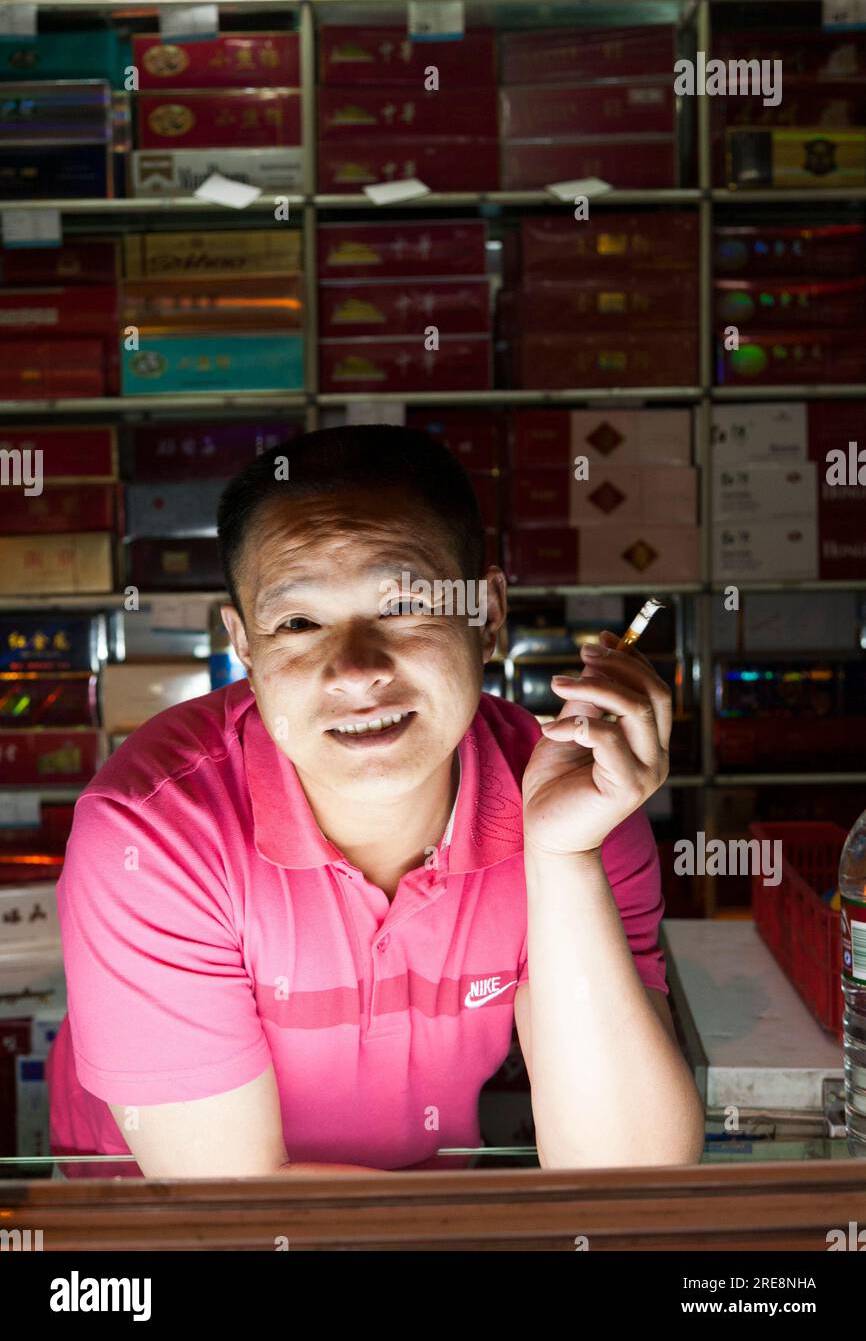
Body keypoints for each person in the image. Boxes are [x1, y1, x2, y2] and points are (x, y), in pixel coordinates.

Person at [47, 424, 704, 1178]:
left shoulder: (575, 795)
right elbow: (230, 1210)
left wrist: (563, 855)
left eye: (404, 605)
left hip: (409, 1212)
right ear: (244, 646)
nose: (355, 672)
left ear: (487, 614)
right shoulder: (150, 831)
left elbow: (625, 1177)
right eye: (298, 623)